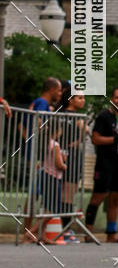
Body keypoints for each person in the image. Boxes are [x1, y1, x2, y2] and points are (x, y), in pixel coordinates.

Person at [85, 87, 118, 243]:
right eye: (117, 97)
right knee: (98, 197)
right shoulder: (103, 116)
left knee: (115, 199)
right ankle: (88, 232)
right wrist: (117, 139)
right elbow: (95, 139)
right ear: (112, 99)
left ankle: (112, 234)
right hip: (105, 162)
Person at [21, 77, 62, 243]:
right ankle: (29, 231)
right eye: (58, 90)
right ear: (51, 89)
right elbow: (38, 122)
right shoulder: (42, 104)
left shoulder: (39, 103)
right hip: (39, 156)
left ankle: (37, 232)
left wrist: (29, 141)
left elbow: (22, 124)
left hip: (38, 153)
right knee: (36, 192)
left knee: (41, 193)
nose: (60, 93)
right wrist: (36, 143)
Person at [59, 84, 89, 242]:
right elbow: (86, 130)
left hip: (67, 155)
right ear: (70, 99)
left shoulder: (61, 114)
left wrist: (77, 141)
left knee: (65, 193)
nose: (83, 101)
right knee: (68, 194)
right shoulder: (72, 116)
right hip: (69, 157)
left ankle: (64, 228)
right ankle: (65, 229)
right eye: (80, 97)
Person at [38, 123, 67, 243]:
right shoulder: (55, 145)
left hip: (45, 175)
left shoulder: (45, 143)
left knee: (47, 207)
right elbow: (59, 164)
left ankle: (41, 234)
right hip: (53, 177)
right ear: (57, 130)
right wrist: (65, 164)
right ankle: (33, 231)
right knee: (53, 208)